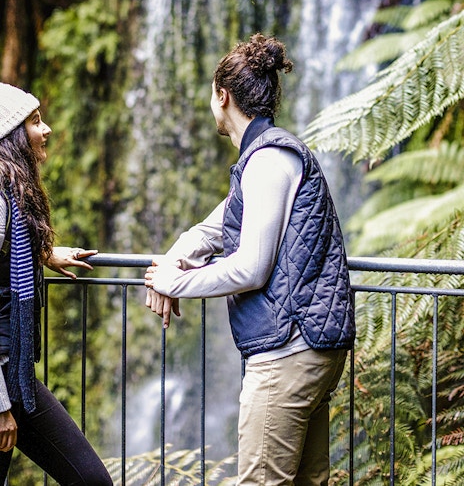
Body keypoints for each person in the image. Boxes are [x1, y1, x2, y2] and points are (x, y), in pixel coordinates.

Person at [144, 33, 356, 486]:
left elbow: (249, 267)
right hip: (311, 345)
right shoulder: (267, 157)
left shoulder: (269, 160)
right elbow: (213, 229)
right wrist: (172, 262)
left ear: (222, 97)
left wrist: (173, 283)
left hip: (289, 350)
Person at [0, 83, 113, 485]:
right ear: (11, 137)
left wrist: (43, 254)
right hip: (4, 385)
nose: (46, 129)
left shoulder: (9, 194)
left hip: (15, 379)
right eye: (35, 122)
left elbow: (7, 250)